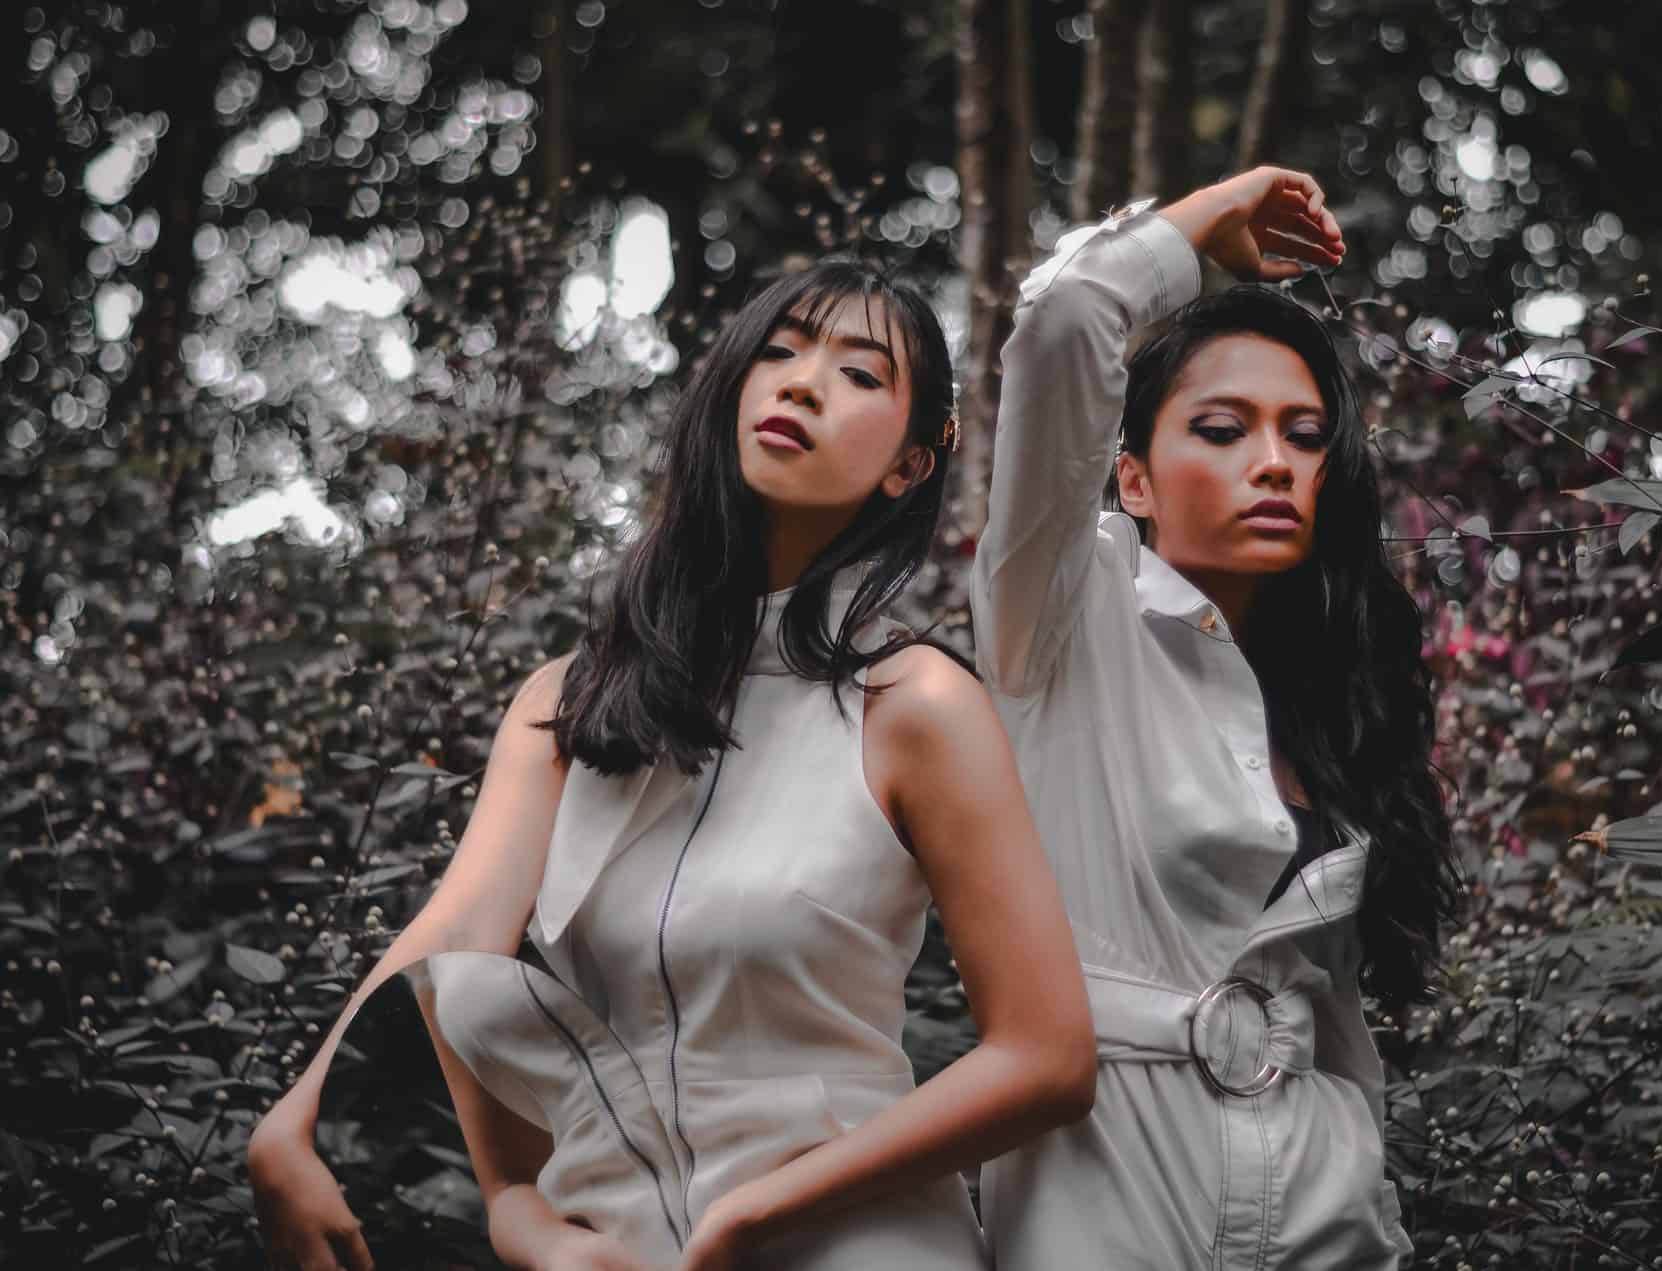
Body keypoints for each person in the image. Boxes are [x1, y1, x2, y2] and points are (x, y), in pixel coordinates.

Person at [249, 259, 1096, 1271]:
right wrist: (479, 1192)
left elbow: (1047, 1055)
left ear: (910, 466)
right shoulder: (566, 707)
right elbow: (452, 959)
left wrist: (753, 1212)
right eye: (778, 352)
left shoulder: (915, 703)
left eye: (860, 373)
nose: (802, 381)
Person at [969, 165, 1461, 1269]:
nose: (1275, 461)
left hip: (1330, 1219)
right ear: (1132, 479)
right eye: (1225, 429)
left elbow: (1334, 1023)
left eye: (1303, 433)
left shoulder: (1341, 691)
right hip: (1103, 1206)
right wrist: (1208, 225)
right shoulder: (1056, 622)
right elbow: (1063, 321)